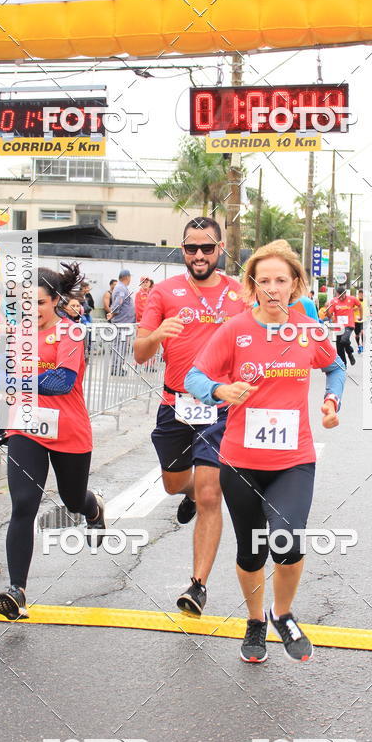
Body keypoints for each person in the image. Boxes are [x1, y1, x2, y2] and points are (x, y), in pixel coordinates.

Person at [185, 242, 345, 663]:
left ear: (296, 285)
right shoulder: (235, 329)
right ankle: (255, 622)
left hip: (293, 460)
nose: (272, 289)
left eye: (281, 280)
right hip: (239, 461)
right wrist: (220, 389)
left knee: (287, 540)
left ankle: (283, 613)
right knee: (251, 550)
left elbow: (334, 367)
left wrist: (332, 401)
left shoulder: (307, 329)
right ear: (251, 286)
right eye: (264, 281)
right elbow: (194, 376)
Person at [0, 262, 105, 621]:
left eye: (36, 303)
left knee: (71, 498)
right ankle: (16, 591)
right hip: (26, 428)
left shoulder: (71, 334)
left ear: (55, 302)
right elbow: (1, 363)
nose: (29, 311)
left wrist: (14, 381)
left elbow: (61, 383)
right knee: (23, 504)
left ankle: (93, 506)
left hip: (68, 430)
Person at [133, 216, 244, 615]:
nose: (199, 255)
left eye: (207, 248)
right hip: (175, 405)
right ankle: (189, 494)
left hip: (221, 407)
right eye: (191, 248)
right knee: (174, 483)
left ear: (221, 250)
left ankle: (197, 586)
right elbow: (140, 353)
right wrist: (158, 335)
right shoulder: (164, 293)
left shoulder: (240, 293)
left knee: (212, 492)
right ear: (182, 250)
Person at [325, 285, 361, 366]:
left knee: (344, 340)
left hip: (349, 324)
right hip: (339, 326)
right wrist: (328, 311)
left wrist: (361, 316)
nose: (341, 298)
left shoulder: (352, 299)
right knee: (340, 348)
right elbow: (329, 315)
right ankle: (343, 365)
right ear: (337, 294)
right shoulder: (333, 301)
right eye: (339, 296)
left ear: (345, 293)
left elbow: (359, 305)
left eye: (342, 296)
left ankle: (350, 352)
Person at [108, 269, 136, 375]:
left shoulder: (121, 287)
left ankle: (118, 367)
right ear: (127, 277)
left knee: (121, 346)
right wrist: (113, 313)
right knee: (119, 347)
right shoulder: (121, 288)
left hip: (123, 322)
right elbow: (117, 304)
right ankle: (116, 368)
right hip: (121, 323)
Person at [353, 288, 365, 353]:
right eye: (360, 294)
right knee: (357, 335)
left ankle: (363, 345)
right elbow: (351, 309)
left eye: (362, 294)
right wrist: (357, 308)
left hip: (363, 319)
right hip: (356, 320)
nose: (361, 295)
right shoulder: (355, 301)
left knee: (363, 332)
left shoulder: (366, 301)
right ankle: (359, 345)